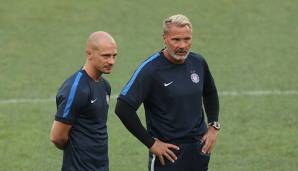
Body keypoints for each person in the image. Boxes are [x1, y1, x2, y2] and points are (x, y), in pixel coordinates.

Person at [115, 14, 220, 171]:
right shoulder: (150, 70)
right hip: (168, 154)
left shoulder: (198, 62)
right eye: (176, 40)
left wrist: (213, 126)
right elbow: (123, 107)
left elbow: (210, 92)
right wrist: (151, 143)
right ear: (165, 38)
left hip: (199, 150)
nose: (182, 45)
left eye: (187, 39)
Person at [50, 31, 117, 171]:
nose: (111, 61)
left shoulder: (105, 86)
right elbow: (57, 136)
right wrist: (77, 152)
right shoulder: (76, 89)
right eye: (105, 56)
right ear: (89, 54)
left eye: (114, 56)